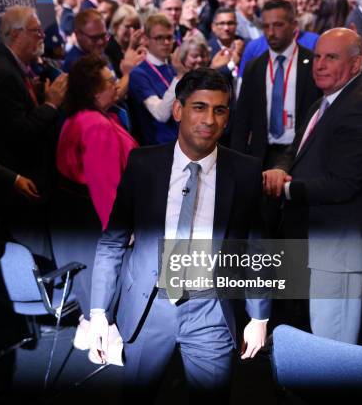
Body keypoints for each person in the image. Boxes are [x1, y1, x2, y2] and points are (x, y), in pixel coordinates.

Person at [88, 68, 270, 402]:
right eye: (199, 107)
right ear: (178, 110)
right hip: (147, 308)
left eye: (220, 110)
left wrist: (260, 315)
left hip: (211, 311)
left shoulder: (244, 171)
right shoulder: (143, 164)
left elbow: (254, 249)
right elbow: (113, 242)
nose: (210, 120)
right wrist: (99, 313)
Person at [262, 28, 362, 344]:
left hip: (338, 251)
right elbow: (293, 152)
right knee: (320, 340)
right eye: (317, 56)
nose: (319, 64)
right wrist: (279, 170)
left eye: (331, 57)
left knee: (333, 347)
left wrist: (286, 188)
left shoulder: (361, 106)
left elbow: (344, 184)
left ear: (357, 63)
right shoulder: (327, 100)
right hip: (317, 244)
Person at [51, 55, 139, 348]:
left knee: (92, 296)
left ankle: (95, 335)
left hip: (77, 221)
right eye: (110, 82)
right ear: (93, 90)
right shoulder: (95, 125)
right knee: (104, 295)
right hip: (96, 224)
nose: (116, 86)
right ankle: (106, 347)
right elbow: (106, 186)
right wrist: (122, 230)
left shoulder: (81, 117)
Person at [0, 6, 68, 259]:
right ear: (16, 34)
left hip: (23, 185)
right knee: (34, 261)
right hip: (16, 190)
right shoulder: (2, 72)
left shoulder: (7, 65)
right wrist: (51, 104)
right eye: (37, 31)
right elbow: (20, 134)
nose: (43, 37)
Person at [232, 0, 320, 169]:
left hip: (300, 155)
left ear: (294, 25)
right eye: (266, 26)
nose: (271, 32)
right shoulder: (255, 66)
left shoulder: (312, 63)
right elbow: (242, 119)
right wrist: (238, 163)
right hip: (261, 155)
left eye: (278, 25)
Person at [128, 14, 187, 145]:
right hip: (157, 146)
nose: (166, 43)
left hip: (181, 141)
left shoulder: (173, 66)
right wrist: (179, 77)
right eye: (159, 38)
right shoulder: (138, 73)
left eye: (169, 37)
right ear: (146, 40)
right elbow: (161, 114)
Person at [237, 0, 319, 79]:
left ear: (295, 10)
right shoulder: (253, 47)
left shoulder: (314, 42)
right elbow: (242, 86)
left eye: (284, 5)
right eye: (274, 4)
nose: (276, 10)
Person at [106, 4, 144, 78]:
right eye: (127, 27)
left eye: (136, 27)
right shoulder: (108, 49)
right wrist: (131, 46)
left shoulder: (140, 48)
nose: (132, 31)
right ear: (116, 26)